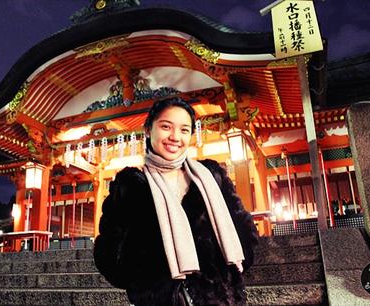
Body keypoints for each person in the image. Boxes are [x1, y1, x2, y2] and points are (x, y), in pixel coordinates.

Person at [93, 97, 259, 306]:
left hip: (218, 298)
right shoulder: (131, 186)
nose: (175, 137)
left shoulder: (212, 176)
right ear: (148, 129)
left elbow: (244, 230)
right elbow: (109, 252)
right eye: (165, 126)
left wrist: (227, 277)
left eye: (184, 130)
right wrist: (144, 284)